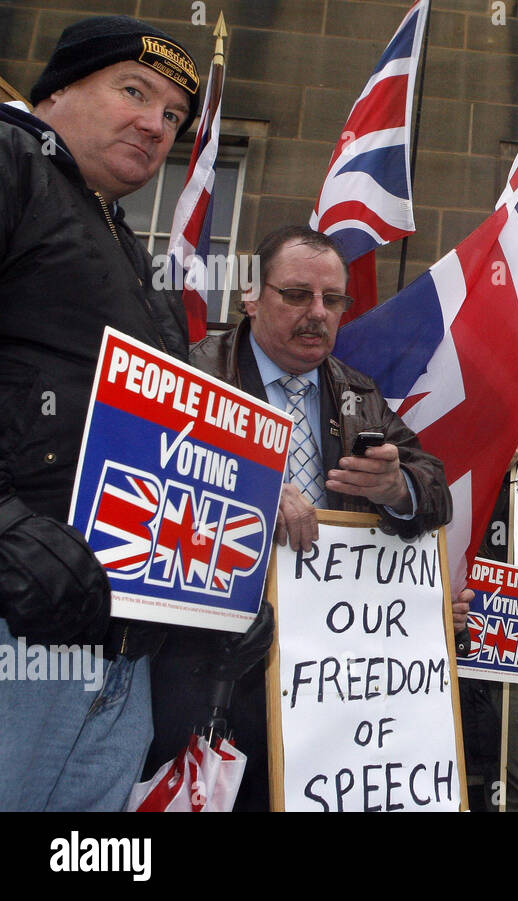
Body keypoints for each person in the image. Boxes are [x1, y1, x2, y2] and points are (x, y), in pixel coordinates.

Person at [147, 225, 454, 810]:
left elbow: (436, 490)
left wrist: (399, 485)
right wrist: (252, 486)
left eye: (332, 300)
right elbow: (149, 482)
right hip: (208, 661)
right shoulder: (191, 374)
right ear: (251, 296)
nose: (317, 314)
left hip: (326, 675)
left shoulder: (358, 393)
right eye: (296, 295)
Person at [0, 15, 200, 811]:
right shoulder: (11, 161)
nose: (156, 125)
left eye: (175, 117)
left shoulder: (125, 245)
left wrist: (215, 588)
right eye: (133, 90)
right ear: (55, 93)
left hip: (124, 644)